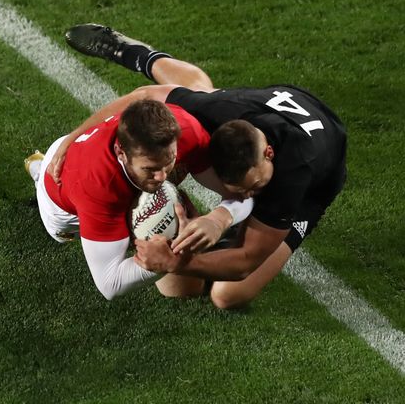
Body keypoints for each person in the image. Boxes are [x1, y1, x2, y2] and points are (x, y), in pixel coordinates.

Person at [54, 24, 347, 309]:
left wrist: (183, 257)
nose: (249, 195)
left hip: (318, 170)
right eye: (238, 190)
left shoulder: (294, 174)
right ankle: (136, 54)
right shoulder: (222, 113)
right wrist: (74, 137)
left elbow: (245, 262)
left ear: (269, 154)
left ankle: (237, 233)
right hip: (268, 103)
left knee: (227, 294)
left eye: (254, 187)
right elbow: (144, 97)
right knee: (199, 96)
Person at [25, 98, 253, 300]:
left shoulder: (185, 130)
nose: (163, 176)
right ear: (121, 152)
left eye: (170, 161)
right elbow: (109, 284)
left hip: (87, 155)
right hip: (60, 202)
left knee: (187, 290)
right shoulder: (97, 186)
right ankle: (38, 170)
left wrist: (220, 219)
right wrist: (171, 257)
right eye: (151, 169)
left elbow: (242, 193)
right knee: (178, 275)